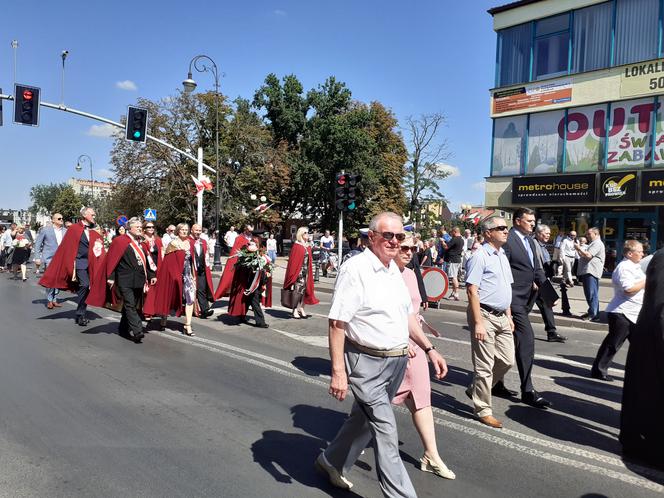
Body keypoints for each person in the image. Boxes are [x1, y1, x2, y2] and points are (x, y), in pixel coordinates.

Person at [316, 212, 447, 496]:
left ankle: (331, 460)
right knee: (386, 431)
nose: (395, 242)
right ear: (372, 236)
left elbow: (408, 316)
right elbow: (338, 323)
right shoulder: (356, 269)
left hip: (396, 362)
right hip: (367, 362)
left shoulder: (393, 270)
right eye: (388, 235)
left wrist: (429, 349)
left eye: (400, 236)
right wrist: (338, 372)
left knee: (363, 420)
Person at [392, 234, 455, 479]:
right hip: (392, 345)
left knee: (421, 396)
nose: (409, 252)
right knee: (375, 405)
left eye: (413, 249)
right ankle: (343, 449)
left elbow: (413, 312)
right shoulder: (385, 275)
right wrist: (399, 339)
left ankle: (431, 455)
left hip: (414, 343)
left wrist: (428, 348)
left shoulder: (409, 274)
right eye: (404, 248)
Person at [498, 207, 552, 409]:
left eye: (534, 220)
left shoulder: (530, 240)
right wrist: (506, 302)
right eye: (529, 220)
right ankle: (528, 390)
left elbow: (537, 269)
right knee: (527, 340)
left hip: (527, 298)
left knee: (507, 343)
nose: (533, 224)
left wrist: (549, 295)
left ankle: (496, 383)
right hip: (513, 300)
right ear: (518, 221)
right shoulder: (508, 239)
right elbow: (502, 270)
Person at [465, 217, 515, 428]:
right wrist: (477, 323)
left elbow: (506, 288)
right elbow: (471, 290)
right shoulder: (479, 256)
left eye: (506, 228)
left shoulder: (502, 254)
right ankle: (483, 410)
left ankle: (476, 389)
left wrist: (509, 316)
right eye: (501, 228)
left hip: (502, 315)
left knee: (507, 360)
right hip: (484, 315)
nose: (506, 231)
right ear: (488, 233)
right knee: (484, 367)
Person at [620, 247, 664, 467]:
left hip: (652, 338)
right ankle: (647, 449)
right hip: (655, 340)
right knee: (649, 399)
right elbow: (660, 305)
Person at [39, 207, 106, 327]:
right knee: (84, 285)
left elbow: (99, 245)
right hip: (80, 263)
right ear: (85, 215)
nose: (94, 217)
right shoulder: (74, 229)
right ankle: (80, 315)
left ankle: (81, 310)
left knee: (88, 288)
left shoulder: (95, 229)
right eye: (93, 215)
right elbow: (66, 247)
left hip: (92, 263)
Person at [94, 217, 156, 343]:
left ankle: (123, 329)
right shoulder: (120, 241)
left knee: (133, 306)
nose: (140, 229)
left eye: (140, 227)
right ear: (129, 228)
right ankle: (138, 329)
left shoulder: (141, 242)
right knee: (129, 304)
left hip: (139, 279)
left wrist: (151, 275)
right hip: (125, 279)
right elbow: (111, 260)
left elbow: (147, 261)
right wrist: (111, 277)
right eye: (137, 227)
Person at [591, 240, 645, 381]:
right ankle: (599, 370)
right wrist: (646, 281)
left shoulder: (636, 266)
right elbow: (628, 289)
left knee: (640, 345)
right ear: (629, 253)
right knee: (613, 344)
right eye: (639, 251)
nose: (642, 254)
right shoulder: (624, 267)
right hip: (622, 312)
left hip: (635, 312)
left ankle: (641, 373)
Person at [143, 223, 197, 336]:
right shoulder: (173, 244)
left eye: (186, 229)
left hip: (187, 275)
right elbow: (168, 263)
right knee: (169, 297)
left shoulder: (190, 243)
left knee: (190, 298)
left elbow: (192, 261)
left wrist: (193, 276)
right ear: (178, 231)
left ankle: (188, 324)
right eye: (182, 229)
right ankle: (164, 318)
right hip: (174, 275)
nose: (184, 231)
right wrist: (173, 275)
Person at [533, 225, 566, 342]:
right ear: (538, 233)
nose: (548, 235)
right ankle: (510, 328)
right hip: (535, 282)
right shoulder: (533, 245)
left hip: (543, 281)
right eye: (546, 233)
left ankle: (552, 332)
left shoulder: (543, 246)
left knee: (547, 305)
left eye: (549, 233)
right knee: (524, 308)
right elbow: (533, 265)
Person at [215, 224, 254, 323]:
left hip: (251, 270)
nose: (250, 232)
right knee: (240, 292)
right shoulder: (239, 238)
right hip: (241, 270)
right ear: (245, 230)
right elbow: (234, 255)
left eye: (251, 231)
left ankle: (244, 313)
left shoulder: (254, 238)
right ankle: (238, 313)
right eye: (249, 230)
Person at [283, 227, 319, 319]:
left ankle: (302, 308)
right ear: (301, 234)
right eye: (305, 233)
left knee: (305, 291)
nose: (308, 234)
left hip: (306, 273)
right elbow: (294, 262)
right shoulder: (297, 246)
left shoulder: (307, 245)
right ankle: (294, 309)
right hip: (298, 273)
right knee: (298, 291)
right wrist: (295, 273)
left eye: (308, 233)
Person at [34, 213, 67, 308]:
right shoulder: (46, 230)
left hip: (61, 259)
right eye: (59, 218)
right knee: (51, 279)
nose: (61, 220)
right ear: (53, 220)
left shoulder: (66, 231)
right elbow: (38, 244)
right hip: (49, 258)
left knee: (59, 279)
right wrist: (37, 257)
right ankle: (49, 300)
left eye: (62, 218)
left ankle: (55, 298)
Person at [576, 227, 606, 322]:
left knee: (591, 293)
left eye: (589, 234)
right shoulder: (593, 243)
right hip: (588, 271)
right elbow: (584, 255)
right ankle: (592, 311)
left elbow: (588, 255)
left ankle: (593, 314)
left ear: (596, 234)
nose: (587, 236)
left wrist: (579, 248)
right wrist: (579, 250)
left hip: (591, 271)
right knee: (590, 293)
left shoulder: (597, 243)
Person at [190, 224, 215, 319]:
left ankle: (204, 310)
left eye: (199, 230)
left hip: (202, 270)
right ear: (191, 230)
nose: (198, 232)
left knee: (202, 289)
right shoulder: (188, 241)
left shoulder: (203, 242)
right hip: (191, 270)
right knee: (193, 291)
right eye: (196, 230)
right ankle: (200, 309)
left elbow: (206, 255)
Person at [444, 227, 464, 300]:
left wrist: (443, 242)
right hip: (457, 259)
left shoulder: (455, 239)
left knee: (453, 277)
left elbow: (446, 247)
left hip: (453, 260)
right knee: (454, 277)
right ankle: (453, 292)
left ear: (454, 232)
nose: (451, 234)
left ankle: (456, 293)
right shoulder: (461, 240)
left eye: (452, 232)